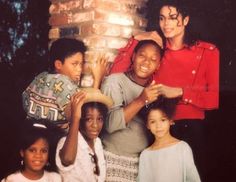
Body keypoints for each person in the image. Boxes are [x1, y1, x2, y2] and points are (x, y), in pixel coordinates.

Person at [109, 0, 219, 179]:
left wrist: (180, 92)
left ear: (185, 20)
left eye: (173, 17)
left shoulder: (208, 51)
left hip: (191, 130)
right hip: (157, 129)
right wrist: (137, 39)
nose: (166, 23)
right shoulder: (156, 52)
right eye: (162, 18)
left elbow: (213, 99)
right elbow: (117, 73)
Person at [100, 40, 162, 181]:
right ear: (133, 56)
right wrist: (141, 100)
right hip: (112, 159)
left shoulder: (154, 92)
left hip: (141, 164)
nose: (146, 62)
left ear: (158, 66)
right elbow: (110, 125)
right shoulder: (114, 81)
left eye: (153, 60)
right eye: (142, 56)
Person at [22, 38, 108, 131]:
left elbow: (24, 100)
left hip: (32, 136)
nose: (79, 69)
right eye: (74, 64)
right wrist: (97, 80)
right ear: (58, 64)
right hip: (58, 142)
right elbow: (87, 119)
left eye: (81, 64)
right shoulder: (65, 83)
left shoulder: (40, 77)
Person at [55, 88, 113, 182]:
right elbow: (68, 159)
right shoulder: (65, 142)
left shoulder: (97, 142)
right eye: (88, 119)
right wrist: (75, 117)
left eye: (99, 119)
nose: (95, 125)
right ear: (79, 119)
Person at [138, 98, 201, 182]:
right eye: (153, 122)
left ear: (170, 120)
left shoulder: (182, 148)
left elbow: (193, 179)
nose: (158, 126)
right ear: (147, 125)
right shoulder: (145, 155)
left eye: (163, 120)